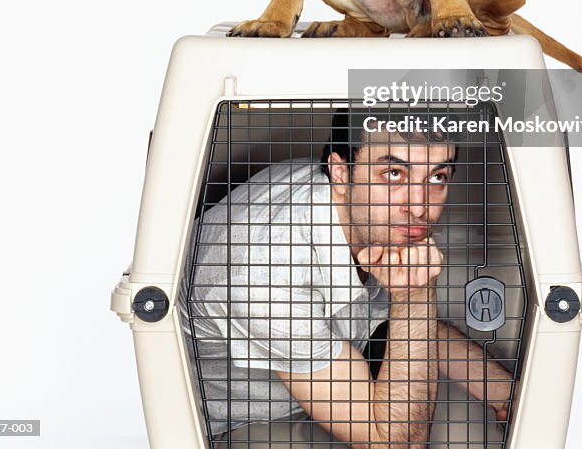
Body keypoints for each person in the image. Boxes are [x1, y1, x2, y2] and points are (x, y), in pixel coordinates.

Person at [179, 107, 513, 447]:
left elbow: (390, 321)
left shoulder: (358, 208)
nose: (418, 206)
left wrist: (506, 394)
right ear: (340, 172)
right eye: (394, 173)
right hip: (235, 425)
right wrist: (415, 292)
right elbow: (395, 443)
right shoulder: (267, 276)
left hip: (319, 373)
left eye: (437, 177)